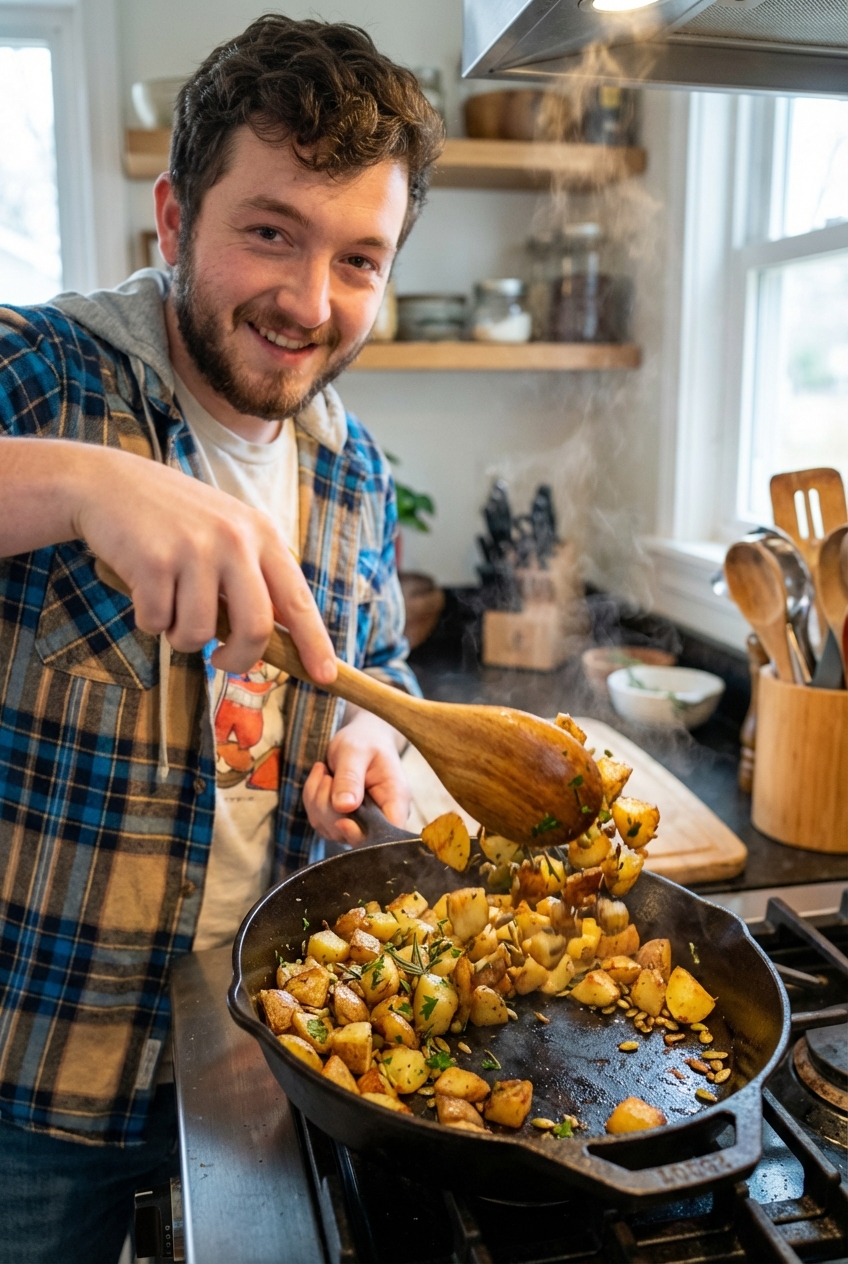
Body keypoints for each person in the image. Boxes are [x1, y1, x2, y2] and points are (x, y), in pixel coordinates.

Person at [0, 16, 443, 1261]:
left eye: (358, 258)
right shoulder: (44, 377)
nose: (310, 303)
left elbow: (380, 662)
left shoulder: (353, 469)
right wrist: (83, 485)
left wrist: (370, 726)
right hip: (36, 1071)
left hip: (263, 1048)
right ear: (174, 220)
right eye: (269, 233)